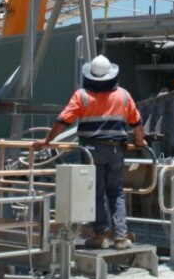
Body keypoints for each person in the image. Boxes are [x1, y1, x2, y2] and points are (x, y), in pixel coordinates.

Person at [34, 54, 146, 250]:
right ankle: (120, 237)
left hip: (90, 150)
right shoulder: (124, 95)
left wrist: (47, 141)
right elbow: (136, 122)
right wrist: (139, 141)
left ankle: (99, 236)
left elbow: (63, 120)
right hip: (115, 150)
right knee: (116, 192)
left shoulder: (82, 96)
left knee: (95, 191)